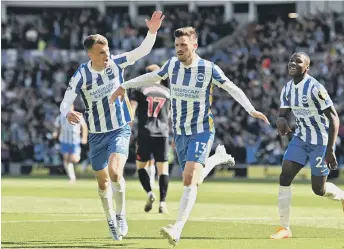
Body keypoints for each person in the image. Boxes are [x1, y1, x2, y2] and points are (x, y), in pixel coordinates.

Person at [110, 26, 269, 246]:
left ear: (194, 45)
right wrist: (124, 86)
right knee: (195, 178)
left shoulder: (208, 68)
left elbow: (232, 88)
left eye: (183, 45)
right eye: (177, 45)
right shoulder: (172, 65)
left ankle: (177, 229)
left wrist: (250, 109)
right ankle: (218, 158)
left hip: (202, 130)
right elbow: (152, 76)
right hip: (180, 132)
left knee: (189, 178)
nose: (179, 49)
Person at [59, 11, 165, 241]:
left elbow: (142, 51)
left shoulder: (116, 63)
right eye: (101, 53)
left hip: (119, 127)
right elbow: (65, 102)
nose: (106, 56)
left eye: (107, 51)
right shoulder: (81, 75)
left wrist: (152, 32)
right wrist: (68, 113)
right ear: (90, 54)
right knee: (102, 181)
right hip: (97, 134)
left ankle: (120, 215)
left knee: (116, 172)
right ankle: (109, 218)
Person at [270, 52, 344, 239]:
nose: (292, 63)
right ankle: (284, 228)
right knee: (285, 176)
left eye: (298, 61)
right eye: (291, 60)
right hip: (301, 139)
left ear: (307, 67)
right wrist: (281, 120)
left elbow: (334, 118)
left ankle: (342, 196)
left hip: (320, 142)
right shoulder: (287, 88)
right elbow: (283, 112)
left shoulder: (315, 88)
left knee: (318, 190)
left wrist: (330, 149)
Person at [130, 64, 171, 214]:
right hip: (163, 133)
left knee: (141, 167)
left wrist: (129, 127)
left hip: (145, 133)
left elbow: (132, 109)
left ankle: (149, 192)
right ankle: (163, 203)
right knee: (163, 170)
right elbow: (171, 115)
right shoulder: (167, 92)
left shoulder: (139, 90)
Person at [53, 105, 88, 182]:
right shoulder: (61, 117)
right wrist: (55, 133)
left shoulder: (78, 115)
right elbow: (57, 126)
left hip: (74, 140)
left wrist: (84, 137)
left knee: (74, 159)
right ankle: (72, 177)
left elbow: (84, 126)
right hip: (64, 140)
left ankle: (84, 161)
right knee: (66, 159)